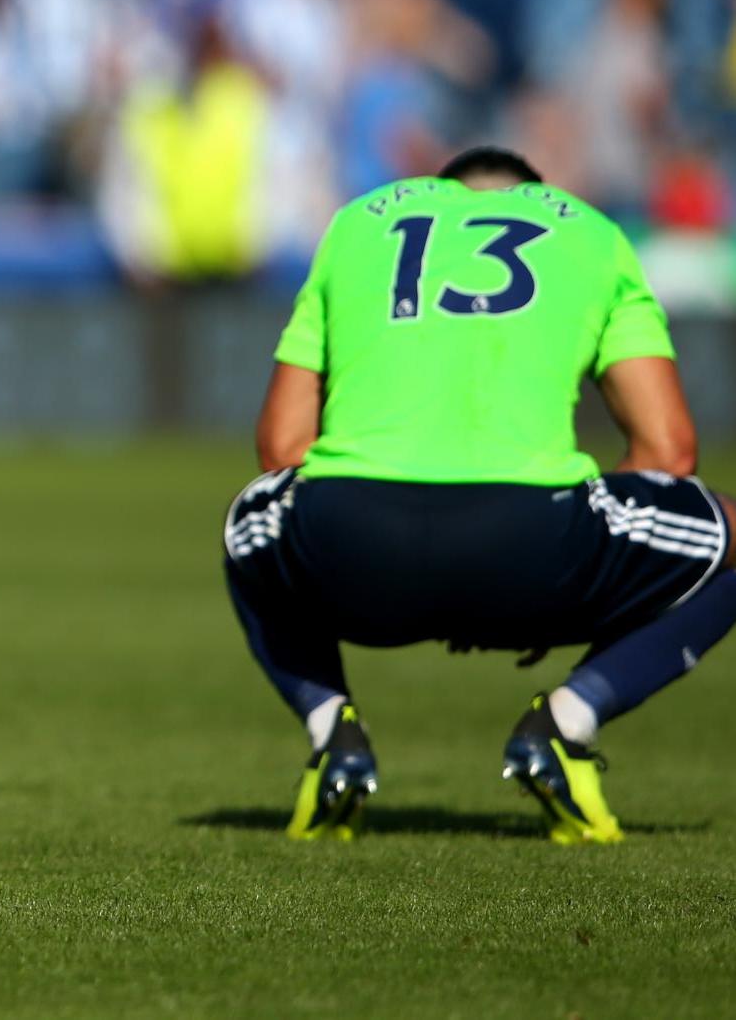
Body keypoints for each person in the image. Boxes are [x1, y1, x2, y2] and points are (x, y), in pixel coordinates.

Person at [227, 145, 734, 844]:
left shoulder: (354, 227)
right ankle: (568, 720)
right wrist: (571, 576)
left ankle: (331, 731)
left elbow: (282, 448)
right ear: (530, 193)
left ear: (443, 191)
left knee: (249, 519)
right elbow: (670, 452)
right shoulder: (592, 233)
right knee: (731, 539)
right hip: (535, 545)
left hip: (355, 546)